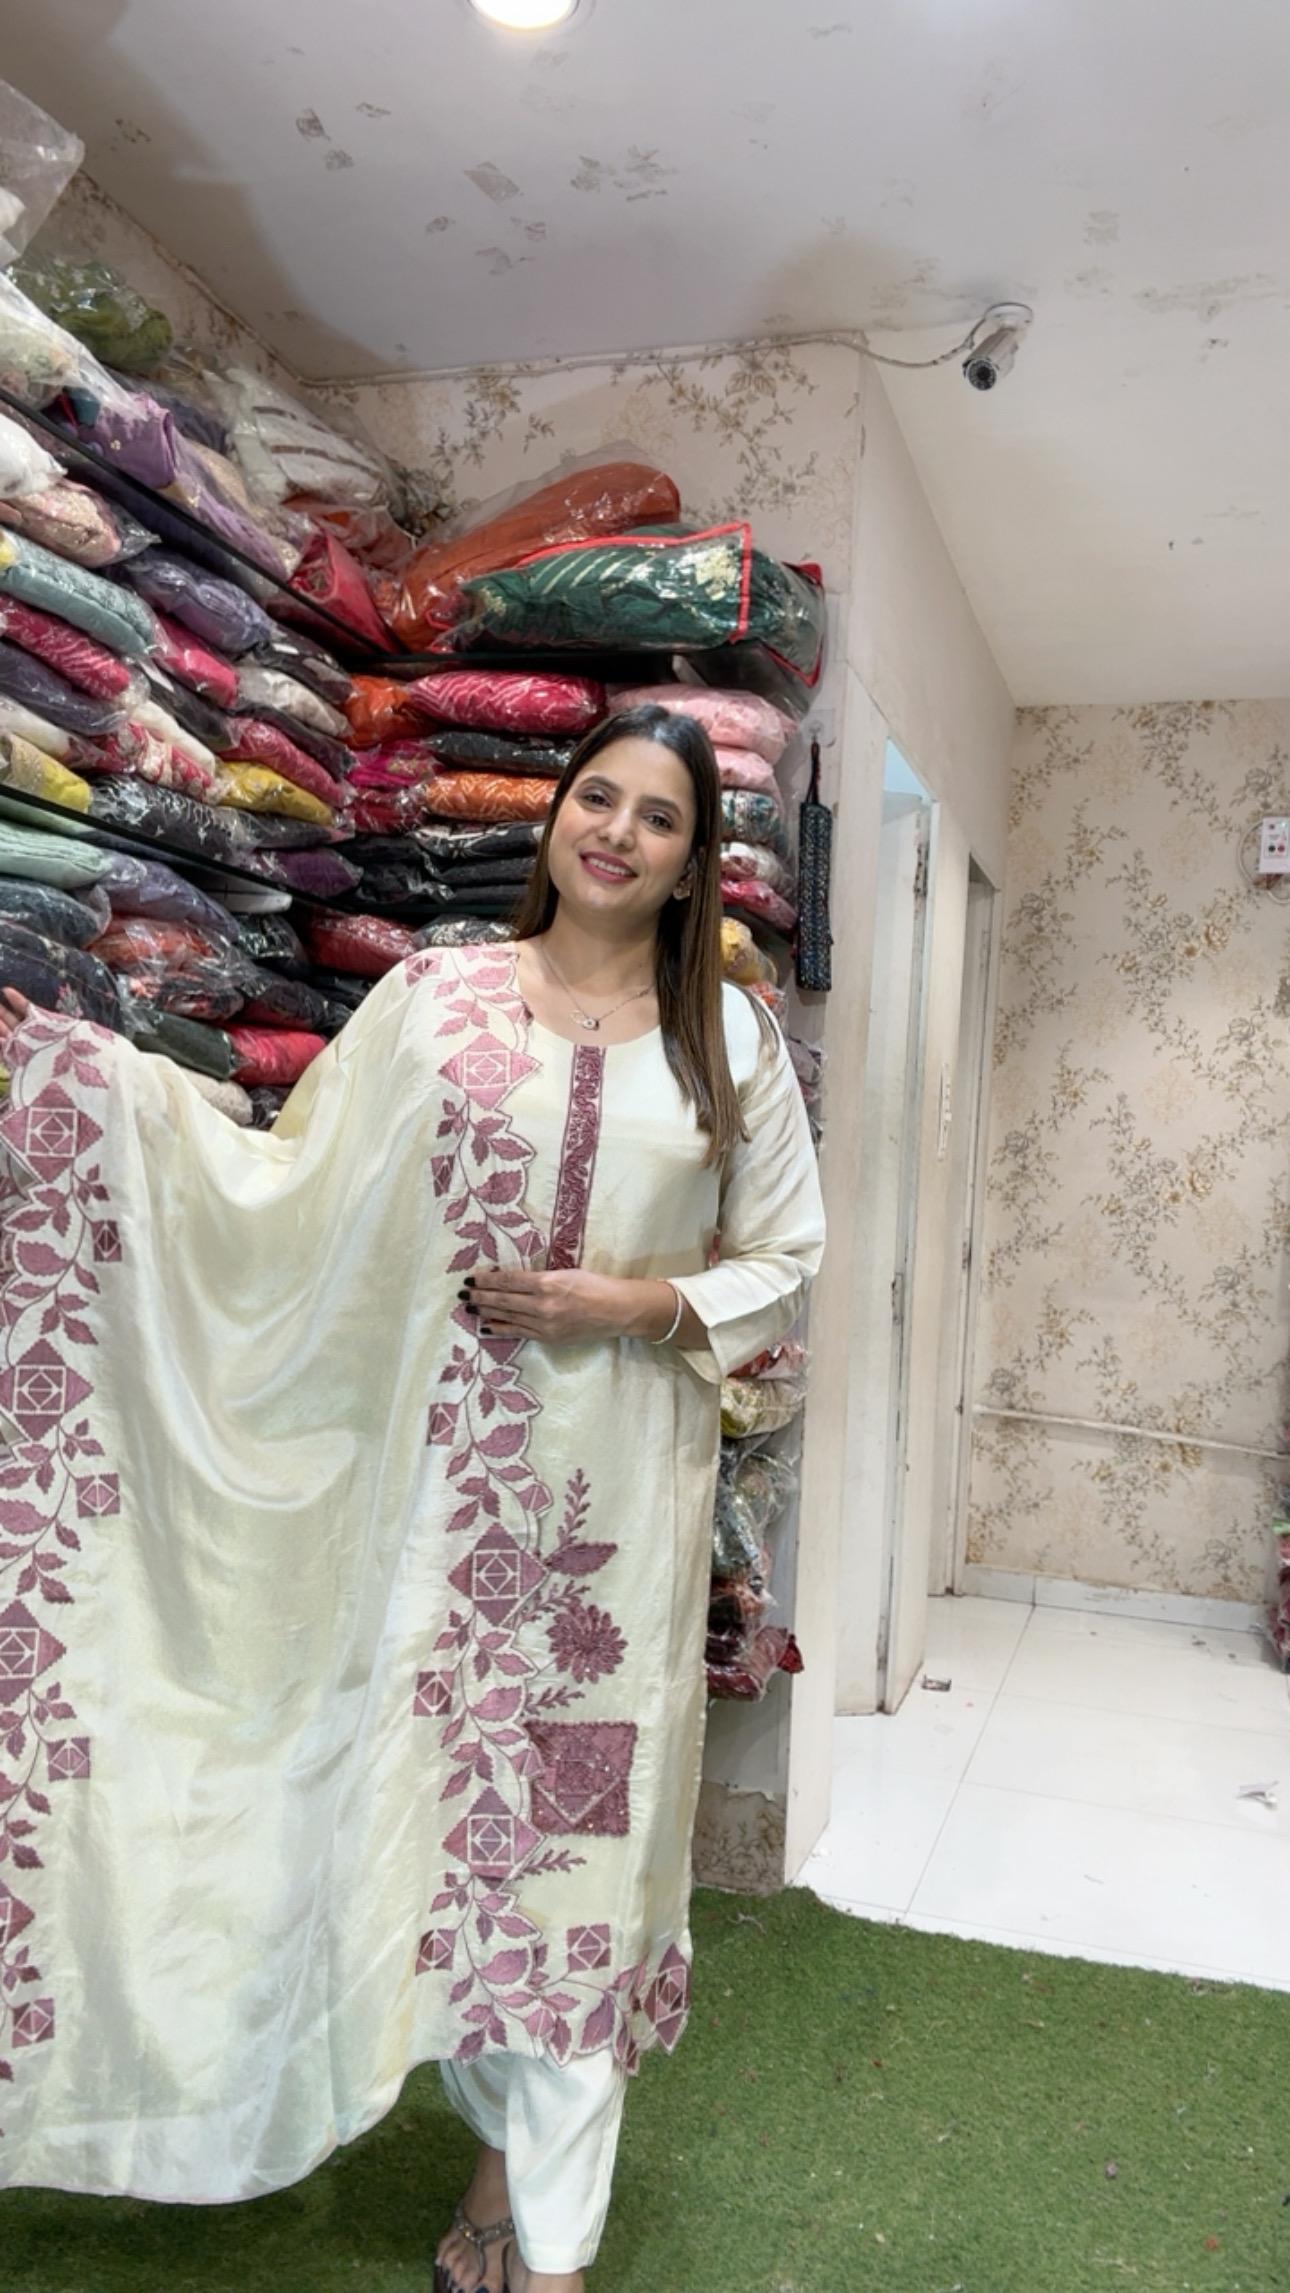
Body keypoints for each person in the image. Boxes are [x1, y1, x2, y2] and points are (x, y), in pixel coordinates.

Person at [0, 705, 824, 2293]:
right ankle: (497, 2175)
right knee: (445, 1847)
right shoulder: (436, 1002)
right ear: (556, 814)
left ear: (689, 861)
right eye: (597, 796)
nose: (616, 832)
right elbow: (288, 1179)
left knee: (577, 1869)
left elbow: (786, 1261)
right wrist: (87, 1084)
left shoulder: (724, 1042)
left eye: (658, 816)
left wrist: (631, 1304)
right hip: (433, 1521)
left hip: (611, 1537)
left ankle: (549, 2248)